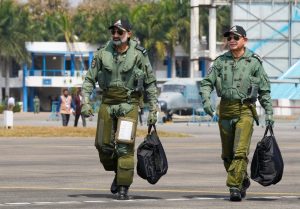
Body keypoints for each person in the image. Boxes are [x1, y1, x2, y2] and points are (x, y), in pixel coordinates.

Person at [81, 18, 157, 200]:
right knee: (102, 145)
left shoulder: (139, 54)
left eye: (120, 32)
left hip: (128, 104)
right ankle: (119, 171)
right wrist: (86, 101)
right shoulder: (101, 53)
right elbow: (89, 80)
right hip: (107, 104)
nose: (115, 35)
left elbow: (150, 83)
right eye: (113, 32)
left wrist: (153, 109)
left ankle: (123, 185)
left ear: (128, 34)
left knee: (124, 147)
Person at [199, 25, 274, 201]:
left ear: (244, 41)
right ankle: (242, 179)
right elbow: (206, 83)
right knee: (227, 155)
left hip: (245, 111)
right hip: (225, 110)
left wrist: (269, 113)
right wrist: (206, 102)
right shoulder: (219, 62)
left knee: (239, 152)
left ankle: (234, 186)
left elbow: (264, 91)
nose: (231, 40)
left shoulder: (254, 62)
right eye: (229, 37)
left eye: (236, 37)